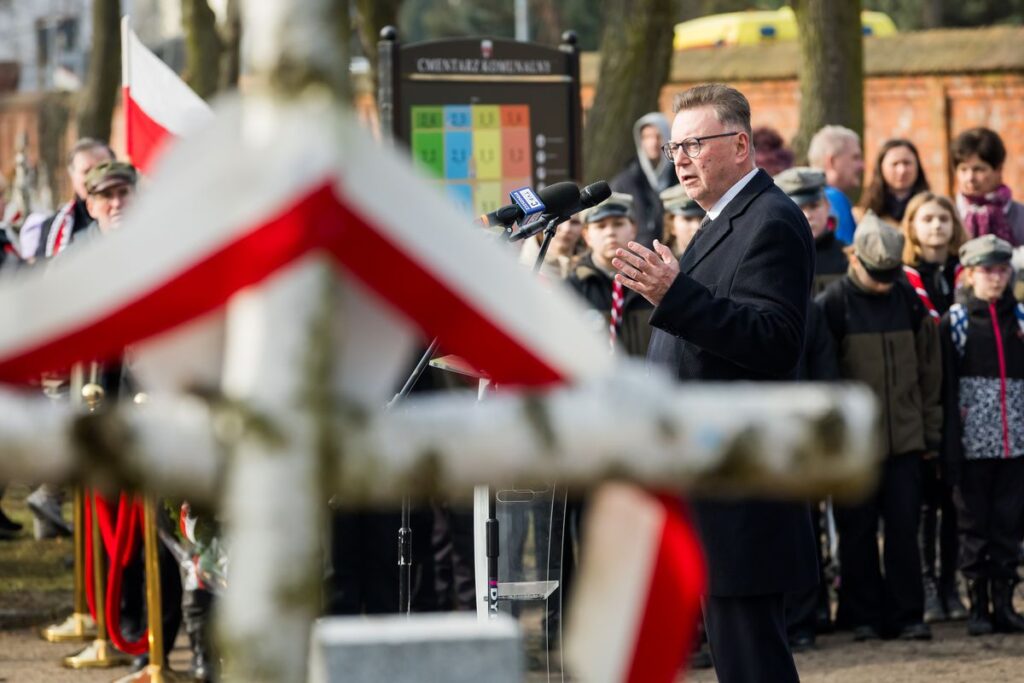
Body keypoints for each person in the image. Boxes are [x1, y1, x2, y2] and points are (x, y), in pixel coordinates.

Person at [613, 83, 817, 683]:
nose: (679, 159)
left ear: (740, 144)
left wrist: (673, 295)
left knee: (754, 664)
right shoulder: (719, 220)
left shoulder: (770, 221)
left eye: (694, 145)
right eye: (675, 147)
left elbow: (774, 340)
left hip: (742, 487)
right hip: (706, 479)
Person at [817, 213, 942, 642]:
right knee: (857, 533)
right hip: (857, 445)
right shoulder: (832, 305)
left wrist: (930, 432)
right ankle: (863, 614)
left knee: (905, 529)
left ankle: (909, 614)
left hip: (906, 439)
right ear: (856, 261)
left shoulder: (909, 301)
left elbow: (930, 371)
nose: (885, 282)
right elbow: (825, 379)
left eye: (891, 274)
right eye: (877, 274)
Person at [940, 235, 1024, 636]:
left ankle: (1005, 602)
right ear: (969, 274)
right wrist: (950, 447)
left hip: (1015, 444)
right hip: (972, 445)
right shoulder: (954, 322)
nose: (996, 278)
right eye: (987, 270)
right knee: (973, 527)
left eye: (1002, 270)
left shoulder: (1021, 319)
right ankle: (978, 605)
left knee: (1007, 526)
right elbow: (946, 386)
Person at [774, 166, 842, 651]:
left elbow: (825, 367)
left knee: (804, 526)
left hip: (804, 421)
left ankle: (806, 615)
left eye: (813, 205)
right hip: (764, 421)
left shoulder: (821, 293)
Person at [900, 192, 970, 624]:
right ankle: (926, 583)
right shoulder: (906, 280)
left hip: (961, 396)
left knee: (954, 500)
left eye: (943, 218)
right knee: (924, 501)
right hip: (921, 398)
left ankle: (951, 584)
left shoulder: (966, 275)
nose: (937, 227)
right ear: (912, 226)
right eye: (927, 219)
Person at [568, 193, 654, 357]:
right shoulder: (573, 287)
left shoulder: (653, 283)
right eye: (600, 226)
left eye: (618, 224)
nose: (610, 232)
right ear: (586, 235)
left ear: (633, 229)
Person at [34, 138, 114, 259]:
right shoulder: (52, 229)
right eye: (87, 171)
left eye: (103, 167)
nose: (95, 176)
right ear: (73, 177)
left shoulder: (132, 214)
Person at [610, 112, 679, 249]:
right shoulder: (625, 181)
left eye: (658, 136)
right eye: (646, 137)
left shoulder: (680, 176)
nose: (653, 142)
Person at [952, 127, 1024, 246]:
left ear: (999, 170)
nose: (970, 178)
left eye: (979, 169)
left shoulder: (1020, 216)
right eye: (963, 169)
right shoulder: (947, 215)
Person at [808, 125, 864, 245]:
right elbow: (846, 255)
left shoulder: (800, 200)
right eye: (855, 158)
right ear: (832, 161)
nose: (861, 166)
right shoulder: (834, 199)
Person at [857, 139, 930, 224]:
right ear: (881, 168)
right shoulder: (862, 214)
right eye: (894, 164)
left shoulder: (931, 209)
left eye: (907, 163)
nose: (902, 170)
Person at [518, 213, 583, 279]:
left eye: (575, 222)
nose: (566, 229)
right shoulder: (520, 271)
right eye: (558, 220)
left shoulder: (588, 273)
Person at [659, 184, 705, 257]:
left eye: (702, 218)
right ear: (671, 225)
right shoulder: (658, 265)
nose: (696, 226)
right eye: (688, 219)